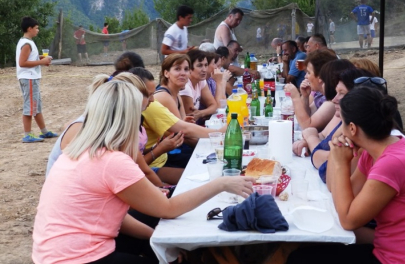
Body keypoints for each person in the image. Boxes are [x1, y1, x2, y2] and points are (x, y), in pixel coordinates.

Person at [33, 81, 254, 264]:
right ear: (128, 118)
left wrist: (155, 238)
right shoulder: (112, 161)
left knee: (155, 230)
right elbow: (168, 209)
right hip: (79, 258)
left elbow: (115, 218)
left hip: (51, 255)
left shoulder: (78, 151)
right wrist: (222, 183)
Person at [288, 88, 405, 264]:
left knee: (299, 259)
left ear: (352, 128)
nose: (340, 130)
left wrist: (340, 163)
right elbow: (340, 193)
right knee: (305, 250)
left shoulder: (392, 163)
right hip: (388, 251)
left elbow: (348, 220)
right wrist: (336, 153)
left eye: (342, 124)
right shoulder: (372, 152)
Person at [16, 17, 58, 143]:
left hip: (32, 78)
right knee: (30, 106)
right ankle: (27, 135)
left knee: (36, 106)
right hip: (28, 77)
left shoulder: (26, 41)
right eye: (36, 28)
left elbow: (28, 57)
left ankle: (44, 131)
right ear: (30, 29)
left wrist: (41, 58)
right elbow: (22, 62)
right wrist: (41, 61)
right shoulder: (27, 44)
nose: (38, 30)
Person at [284, 49, 338, 131]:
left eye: (309, 73)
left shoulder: (332, 100)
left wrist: (296, 97)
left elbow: (307, 126)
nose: (305, 76)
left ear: (320, 76)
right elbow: (308, 115)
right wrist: (305, 97)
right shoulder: (320, 94)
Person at [180, 49, 218, 123]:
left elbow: (214, 105)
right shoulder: (186, 87)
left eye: (206, 65)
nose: (204, 70)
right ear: (189, 68)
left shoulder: (201, 81)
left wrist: (201, 113)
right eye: (200, 65)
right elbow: (191, 119)